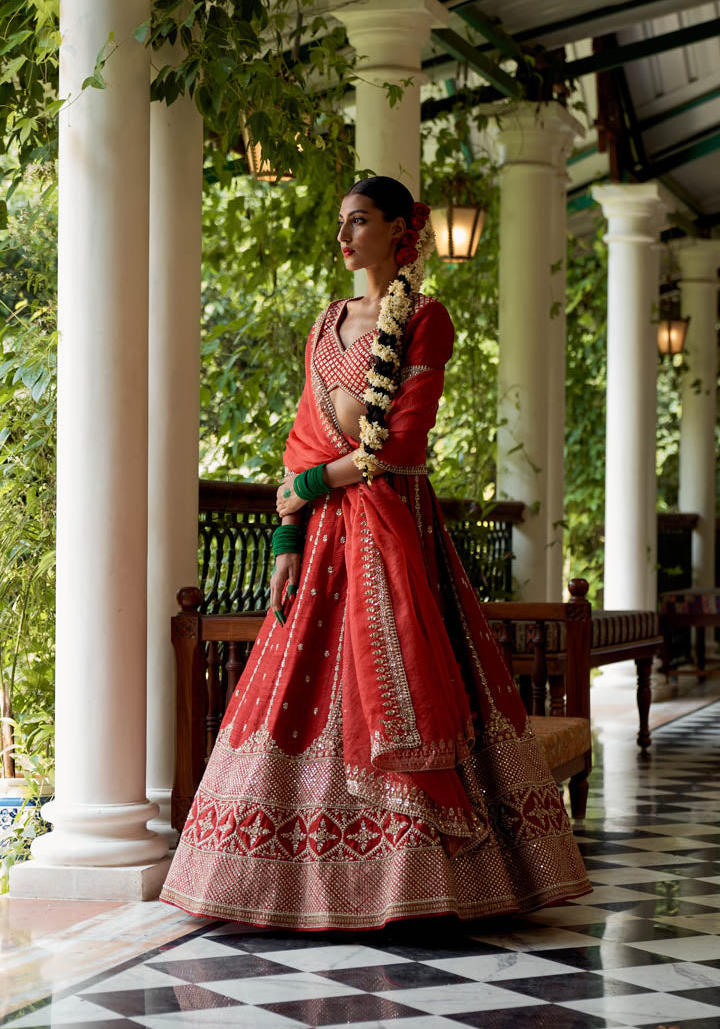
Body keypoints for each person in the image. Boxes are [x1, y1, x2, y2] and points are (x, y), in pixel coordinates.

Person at [161, 176, 590, 929]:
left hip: (396, 530)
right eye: (341, 222)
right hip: (324, 535)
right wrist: (287, 535)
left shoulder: (425, 319)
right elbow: (302, 433)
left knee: (417, 678)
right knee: (298, 688)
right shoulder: (328, 323)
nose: (344, 236)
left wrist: (307, 485)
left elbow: (400, 441)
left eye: (359, 220)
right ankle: (270, 884)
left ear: (401, 228)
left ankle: (422, 886)